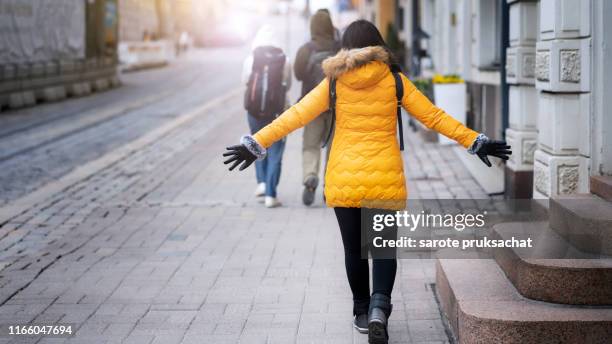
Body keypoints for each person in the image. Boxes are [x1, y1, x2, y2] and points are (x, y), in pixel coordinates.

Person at [224, 20, 511, 343]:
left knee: (353, 250)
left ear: (346, 47)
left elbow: (297, 114)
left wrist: (256, 142)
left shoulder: (334, 82)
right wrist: (475, 141)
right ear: (377, 45)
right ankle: (379, 308)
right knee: (382, 248)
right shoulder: (394, 81)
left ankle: (361, 312)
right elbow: (434, 117)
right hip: (383, 178)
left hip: (344, 177)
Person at [241, 26, 292, 208]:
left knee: (256, 144)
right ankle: (271, 195)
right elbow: (288, 84)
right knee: (276, 151)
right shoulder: (285, 60)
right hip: (277, 112)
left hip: (254, 111)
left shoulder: (251, 58)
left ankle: (261, 182)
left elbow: (245, 81)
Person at [294, 9, 340, 206]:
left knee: (310, 146)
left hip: (312, 105)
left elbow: (298, 74)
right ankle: (329, 186)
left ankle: (310, 177)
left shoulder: (306, 49)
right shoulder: (341, 47)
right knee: (334, 148)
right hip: (337, 105)